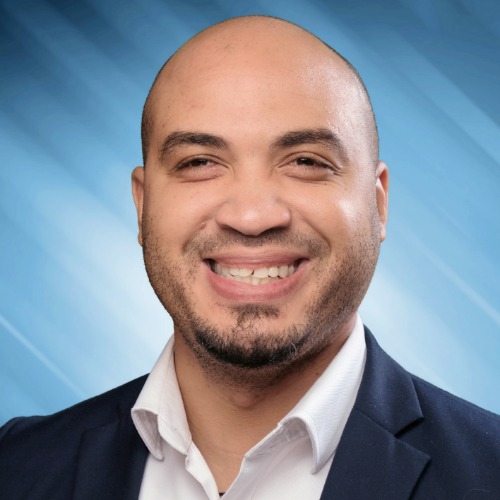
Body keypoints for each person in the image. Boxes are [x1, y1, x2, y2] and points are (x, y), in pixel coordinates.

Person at [1, 15, 499, 500]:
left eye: (306, 161)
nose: (252, 216)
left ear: (378, 203)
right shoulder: (16, 467)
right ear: (143, 204)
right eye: (199, 162)